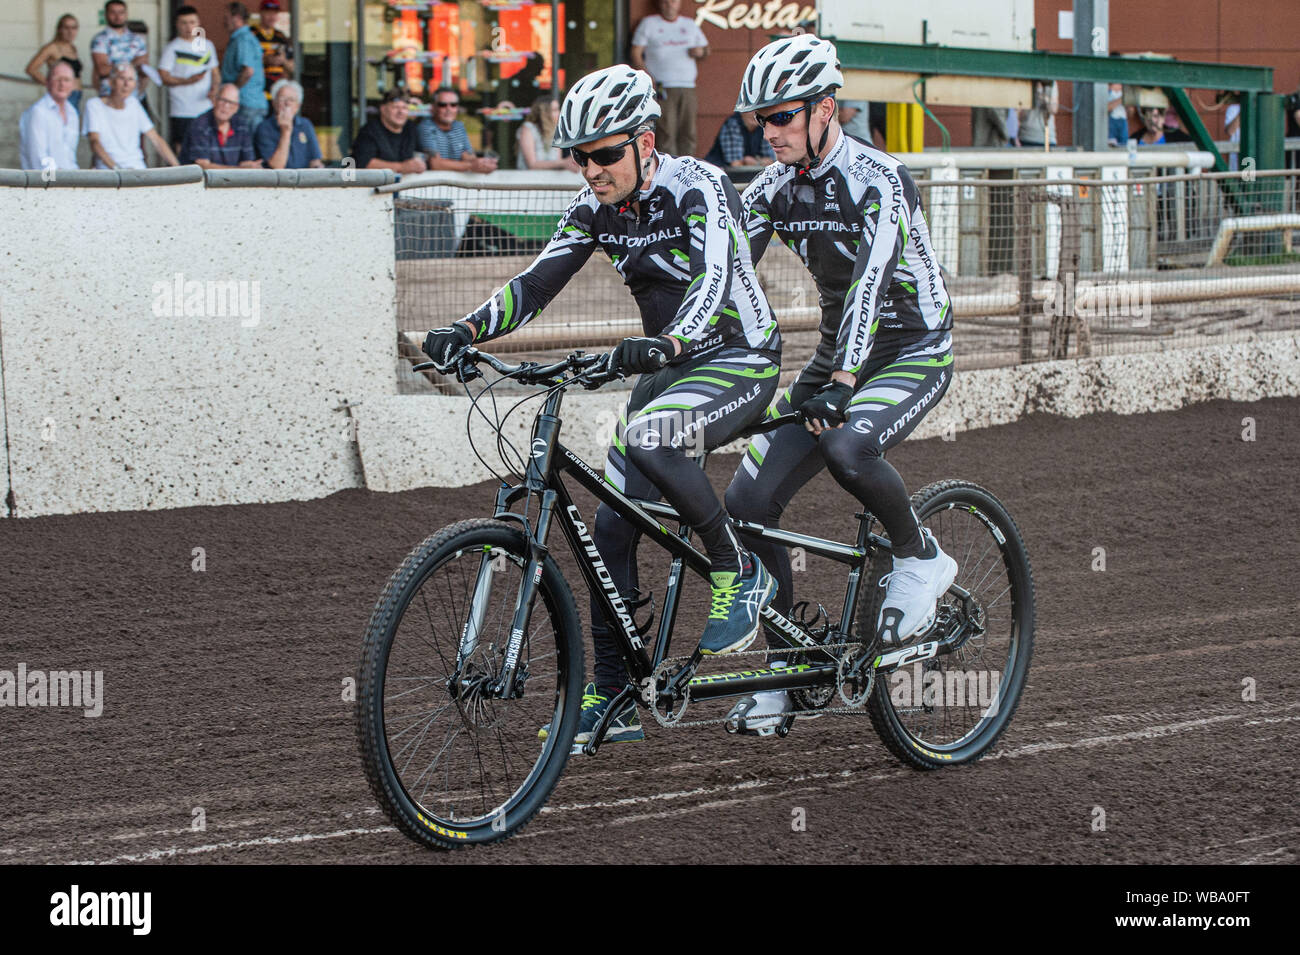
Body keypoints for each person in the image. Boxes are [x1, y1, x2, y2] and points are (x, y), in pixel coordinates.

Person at [420, 66, 783, 749]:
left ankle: (738, 569)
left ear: (646, 142)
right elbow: (535, 282)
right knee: (612, 526)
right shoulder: (593, 207)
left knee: (649, 437)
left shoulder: (699, 185)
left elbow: (716, 279)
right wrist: (466, 330)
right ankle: (613, 694)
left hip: (738, 354)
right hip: (667, 363)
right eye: (578, 156)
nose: (591, 169)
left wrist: (668, 339)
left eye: (605, 153)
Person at [724, 34, 956, 736]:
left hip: (909, 344)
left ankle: (922, 557)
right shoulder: (771, 188)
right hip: (837, 358)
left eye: (783, 116)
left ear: (828, 109)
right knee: (745, 502)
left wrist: (844, 380)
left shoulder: (880, 178)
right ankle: (783, 671)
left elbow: (867, 287)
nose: (769, 132)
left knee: (848, 449)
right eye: (759, 120)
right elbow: (720, 275)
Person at [630, 0, 708, 157]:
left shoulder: (689, 24)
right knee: (666, 131)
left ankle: (688, 167)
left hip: (687, 86)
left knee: (689, 131)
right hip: (662, 86)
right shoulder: (649, 23)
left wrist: (700, 52)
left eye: (673, 1)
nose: (669, 4)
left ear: (679, 3)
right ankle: (669, 170)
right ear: (659, 3)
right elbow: (636, 53)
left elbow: (705, 49)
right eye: (665, 2)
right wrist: (646, 77)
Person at [83, 62, 178, 169]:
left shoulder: (133, 104)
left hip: (136, 169)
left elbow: (156, 139)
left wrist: (178, 168)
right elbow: (95, 142)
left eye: (130, 79)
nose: (126, 84)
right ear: (111, 82)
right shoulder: (95, 105)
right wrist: (117, 170)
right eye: (121, 78)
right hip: (109, 171)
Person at [158, 5, 220, 154]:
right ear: (177, 24)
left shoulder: (207, 45)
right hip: (182, 108)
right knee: (182, 144)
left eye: (192, 22)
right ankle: (183, 175)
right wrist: (187, 81)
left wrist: (215, 90)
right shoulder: (172, 47)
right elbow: (163, 76)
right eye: (183, 23)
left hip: (205, 106)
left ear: (198, 23)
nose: (188, 26)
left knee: (207, 142)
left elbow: (215, 73)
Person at [416, 88, 497, 173]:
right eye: (442, 105)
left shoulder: (459, 126)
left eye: (453, 105)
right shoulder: (425, 127)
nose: (448, 109)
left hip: (457, 183)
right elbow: (435, 164)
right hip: (431, 183)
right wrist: (472, 166)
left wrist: (483, 164)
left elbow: (468, 156)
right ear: (433, 107)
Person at [20, 60, 80, 172]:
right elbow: (38, 161)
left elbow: (70, 158)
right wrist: (61, 182)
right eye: (58, 79)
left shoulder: (72, 113)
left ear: (73, 85)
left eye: (66, 80)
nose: (62, 84)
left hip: (68, 181)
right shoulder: (38, 112)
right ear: (47, 82)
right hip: (45, 184)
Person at [181, 83, 259, 168]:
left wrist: (251, 166)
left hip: (233, 179)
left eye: (231, 103)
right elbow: (202, 166)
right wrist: (238, 171)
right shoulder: (200, 125)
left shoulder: (242, 125)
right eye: (223, 100)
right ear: (215, 101)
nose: (226, 106)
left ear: (237, 108)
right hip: (203, 180)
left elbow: (246, 161)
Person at [352, 87, 426, 174]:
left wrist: (420, 163)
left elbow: (419, 154)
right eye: (395, 107)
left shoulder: (410, 128)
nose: (400, 112)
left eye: (404, 108)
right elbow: (365, 164)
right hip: (374, 185)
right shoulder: (369, 131)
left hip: (406, 184)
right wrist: (402, 167)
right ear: (383, 109)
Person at [254, 79, 323, 169]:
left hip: (304, 180)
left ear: (298, 106)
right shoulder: (264, 128)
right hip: (278, 181)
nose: (287, 103)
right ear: (274, 102)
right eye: (282, 99)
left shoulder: (305, 124)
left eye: (292, 100)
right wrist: (286, 131)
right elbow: (276, 166)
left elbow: (315, 160)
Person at [24, 14, 83, 113]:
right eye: (66, 28)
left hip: (76, 95)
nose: (70, 32)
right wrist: (50, 84)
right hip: (63, 95)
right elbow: (31, 69)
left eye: (74, 28)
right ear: (59, 29)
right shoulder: (52, 47)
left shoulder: (72, 47)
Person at [90, 1, 148, 101]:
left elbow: (144, 68)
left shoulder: (137, 39)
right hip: (109, 96)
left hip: (134, 97)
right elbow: (102, 70)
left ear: (126, 14)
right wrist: (132, 64)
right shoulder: (100, 39)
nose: (117, 16)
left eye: (121, 12)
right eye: (113, 12)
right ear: (106, 14)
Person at [221, 2, 266, 128]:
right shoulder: (244, 38)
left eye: (227, 18)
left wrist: (231, 92)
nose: (224, 22)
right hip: (248, 103)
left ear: (237, 18)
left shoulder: (243, 39)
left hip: (246, 103)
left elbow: (248, 71)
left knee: (245, 146)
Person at [515, 97, 576, 170]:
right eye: (555, 110)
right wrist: (564, 163)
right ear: (544, 113)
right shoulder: (528, 129)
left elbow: (557, 161)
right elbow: (532, 164)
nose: (559, 113)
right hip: (529, 179)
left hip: (550, 179)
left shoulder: (556, 131)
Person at [252, 0, 293, 104]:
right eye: (268, 12)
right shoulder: (251, 34)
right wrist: (266, 60)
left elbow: (293, 67)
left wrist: (283, 61)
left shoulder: (281, 37)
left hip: (278, 96)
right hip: (256, 95)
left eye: (275, 13)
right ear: (261, 12)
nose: (272, 16)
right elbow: (243, 64)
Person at [703, 110, 775, 168]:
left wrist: (755, 162)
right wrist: (760, 162)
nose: (754, 115)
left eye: (757, 111)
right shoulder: (733, 124)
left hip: (743, 177)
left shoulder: (762, 125)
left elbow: (771, 161)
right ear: (742, 111)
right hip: (717, 173)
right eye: (750, 110)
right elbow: (736, 164)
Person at [1017, 79, 1058, 148]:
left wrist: (1040, 91)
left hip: (1047, 138)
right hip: (1026, 136)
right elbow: (1017, 112)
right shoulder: (1024, 81)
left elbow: (1053, 109)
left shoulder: (1051, 82)